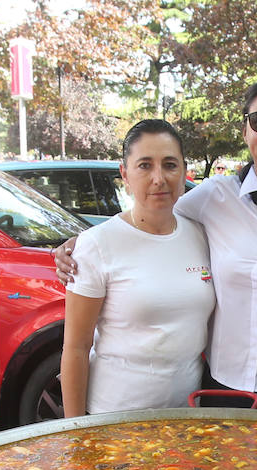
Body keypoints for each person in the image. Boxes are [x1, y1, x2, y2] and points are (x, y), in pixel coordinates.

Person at [57, 75, 257, 414]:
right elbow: (151, 217)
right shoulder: (213, 196)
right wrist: (79, 243)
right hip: (222, 384)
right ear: (246, 131)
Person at [60, 119, 215, 417]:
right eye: (145, 165)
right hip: (116, 417)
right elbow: (76, 348)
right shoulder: (97, 244)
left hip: (187, 415)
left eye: (170, 165)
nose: (159, 178)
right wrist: (75, 432)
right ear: (125, 174)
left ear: (184, 172)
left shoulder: (201, 234)